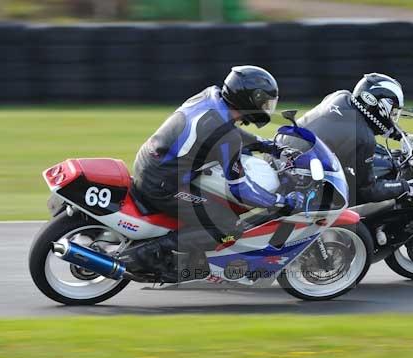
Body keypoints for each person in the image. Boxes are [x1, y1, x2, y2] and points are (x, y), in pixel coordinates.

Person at [126, 65, 305, 280]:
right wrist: (280, 201)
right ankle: (150, 252)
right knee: (227, 227)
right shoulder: (226, 135)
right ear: (250, 99)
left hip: (150, 164)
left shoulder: (211, 96)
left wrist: (265, 145)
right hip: (163, 185)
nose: (267, 108)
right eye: (265, 102)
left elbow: (224, 132)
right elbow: (241, 190)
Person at [296, 73, 413, 206]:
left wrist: (402, 136)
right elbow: (368, 191)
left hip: (292, 159)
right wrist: (406, 186)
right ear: (377, 104)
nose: (392, 117)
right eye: (392, 112)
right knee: (362, 220)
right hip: (312, 192)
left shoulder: (340, 97)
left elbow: (371, 122)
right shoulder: (364, 138)